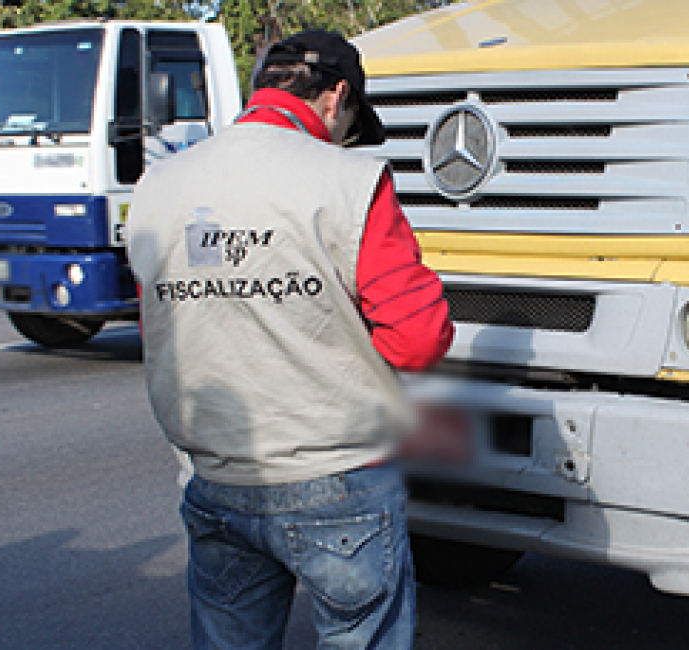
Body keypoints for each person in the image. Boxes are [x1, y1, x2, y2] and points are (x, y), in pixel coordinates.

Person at [126, 30, 453, 649]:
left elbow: (160, 328)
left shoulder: (158, 186)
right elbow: (418, 339)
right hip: (339, 477)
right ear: (336, 98)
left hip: (217, 473)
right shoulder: (349, 180)